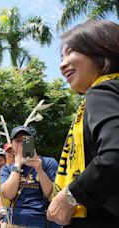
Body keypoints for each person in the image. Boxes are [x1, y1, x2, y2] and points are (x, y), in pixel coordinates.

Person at [47, 20, 119, 227]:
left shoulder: (103, 92)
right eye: (62, 57)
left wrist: (70, 197)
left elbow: (114, 155)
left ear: (101, 50)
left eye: (71, 52)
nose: (62, 65)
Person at [0, 126, 58, 228]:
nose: (22, 144)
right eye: (18, 141)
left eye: (26, 141)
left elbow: (52, 195)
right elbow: (8, 194)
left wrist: (39, 169)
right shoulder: (7, 169)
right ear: (12, 145)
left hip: (42, 222)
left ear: (32, 143)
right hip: (13, 221)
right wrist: (17, 165)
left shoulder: (48, 163)